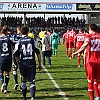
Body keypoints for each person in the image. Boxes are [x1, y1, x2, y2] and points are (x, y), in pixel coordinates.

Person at [72, 24, 100, 100]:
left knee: (90, 80)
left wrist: (76, 52)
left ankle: (92, 98)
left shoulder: (88, 36)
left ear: (90, 29)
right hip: (99, 61)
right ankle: (98, 96)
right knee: (98, 80)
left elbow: (84, 45)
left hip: (91, 61)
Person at [14, 26, 42, 100]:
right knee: (32, 81)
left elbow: (16, 55)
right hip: (31, 62)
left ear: (21, 32)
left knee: (23, 80)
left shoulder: (19, 41)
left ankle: (24, 97)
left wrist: (18, 64)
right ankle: (32, 97)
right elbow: (38, 53)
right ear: (28, 32)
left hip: (23, 63)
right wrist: (40, 64)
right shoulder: (32, 40)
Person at [0, 27, 14, 94]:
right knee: (7, 73)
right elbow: (15, 43)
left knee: (0, 72)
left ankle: (3, 83)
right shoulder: (9, 39)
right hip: (8, 57)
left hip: (1, 58)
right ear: (6, 32)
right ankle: (5, 87)